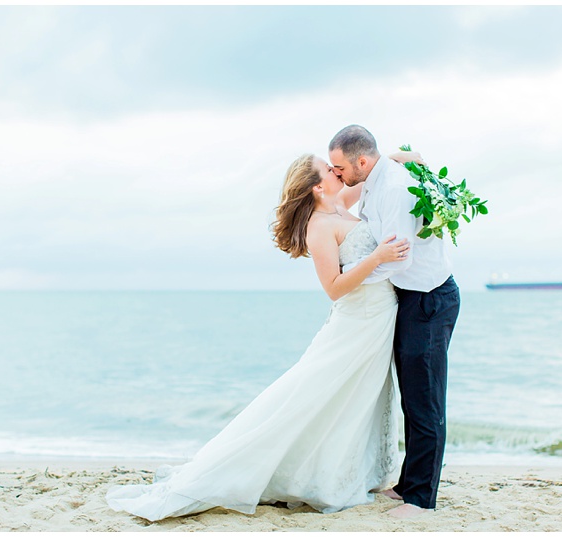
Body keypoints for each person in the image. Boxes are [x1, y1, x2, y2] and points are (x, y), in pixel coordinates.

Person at [105, 150, 419, 521]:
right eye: (330, 171)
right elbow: (334, 288)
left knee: (356, 398)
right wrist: (377, 257)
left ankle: (348, 469)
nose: (338, 173)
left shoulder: (338, 202)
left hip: (378, 319)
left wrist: (398, 157)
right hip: (356, 321)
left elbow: (369, 176)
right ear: (318, 187)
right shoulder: (319, 225)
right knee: (311, 395)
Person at [328, 125, 461, 519]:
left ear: (361, 162)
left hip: (429, 301)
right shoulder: (375, 177)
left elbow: (394, 258)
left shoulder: (393, 189)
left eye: (339, 167)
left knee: (425, 400)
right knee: (410, 397)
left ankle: (421, 499)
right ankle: (408, 485)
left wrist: (347, 280)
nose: (337, 174)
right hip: (408, 298)